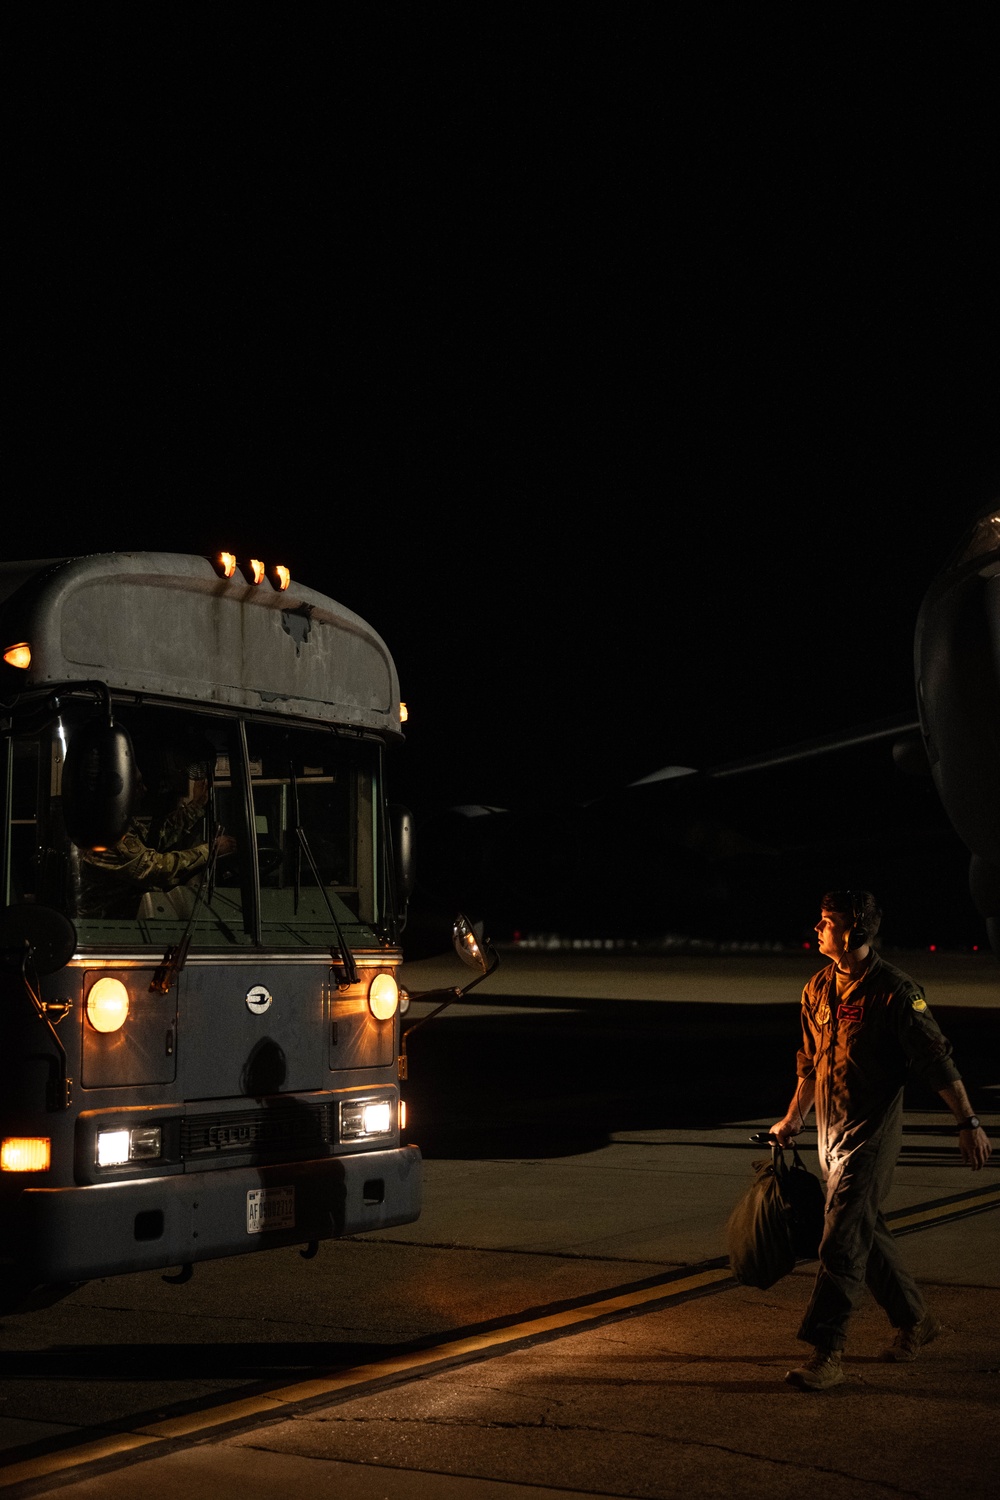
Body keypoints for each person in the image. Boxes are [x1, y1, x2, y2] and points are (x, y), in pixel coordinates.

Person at [770, 890, 992, 1392]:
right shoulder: (817, 990)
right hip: (830, 1136)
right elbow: (809, 1067)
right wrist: (791, 1121)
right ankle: (916, 1322)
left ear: (856, 932)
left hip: (871, 1138)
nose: (818, 927)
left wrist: (969, 1124)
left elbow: (937, 1061)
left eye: (828, 921)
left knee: (840, 1242)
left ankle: (828, 1351)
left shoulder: (895, 992)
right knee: (866, 1233)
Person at [77, 745, 236, 919]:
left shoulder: (118, 822)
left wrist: (196, 806)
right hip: (108, 929)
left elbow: (156, 837)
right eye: (138, 785)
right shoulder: (108, 834)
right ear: (119, 791)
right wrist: (211, 851)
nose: (145, 790)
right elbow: (158, 870)